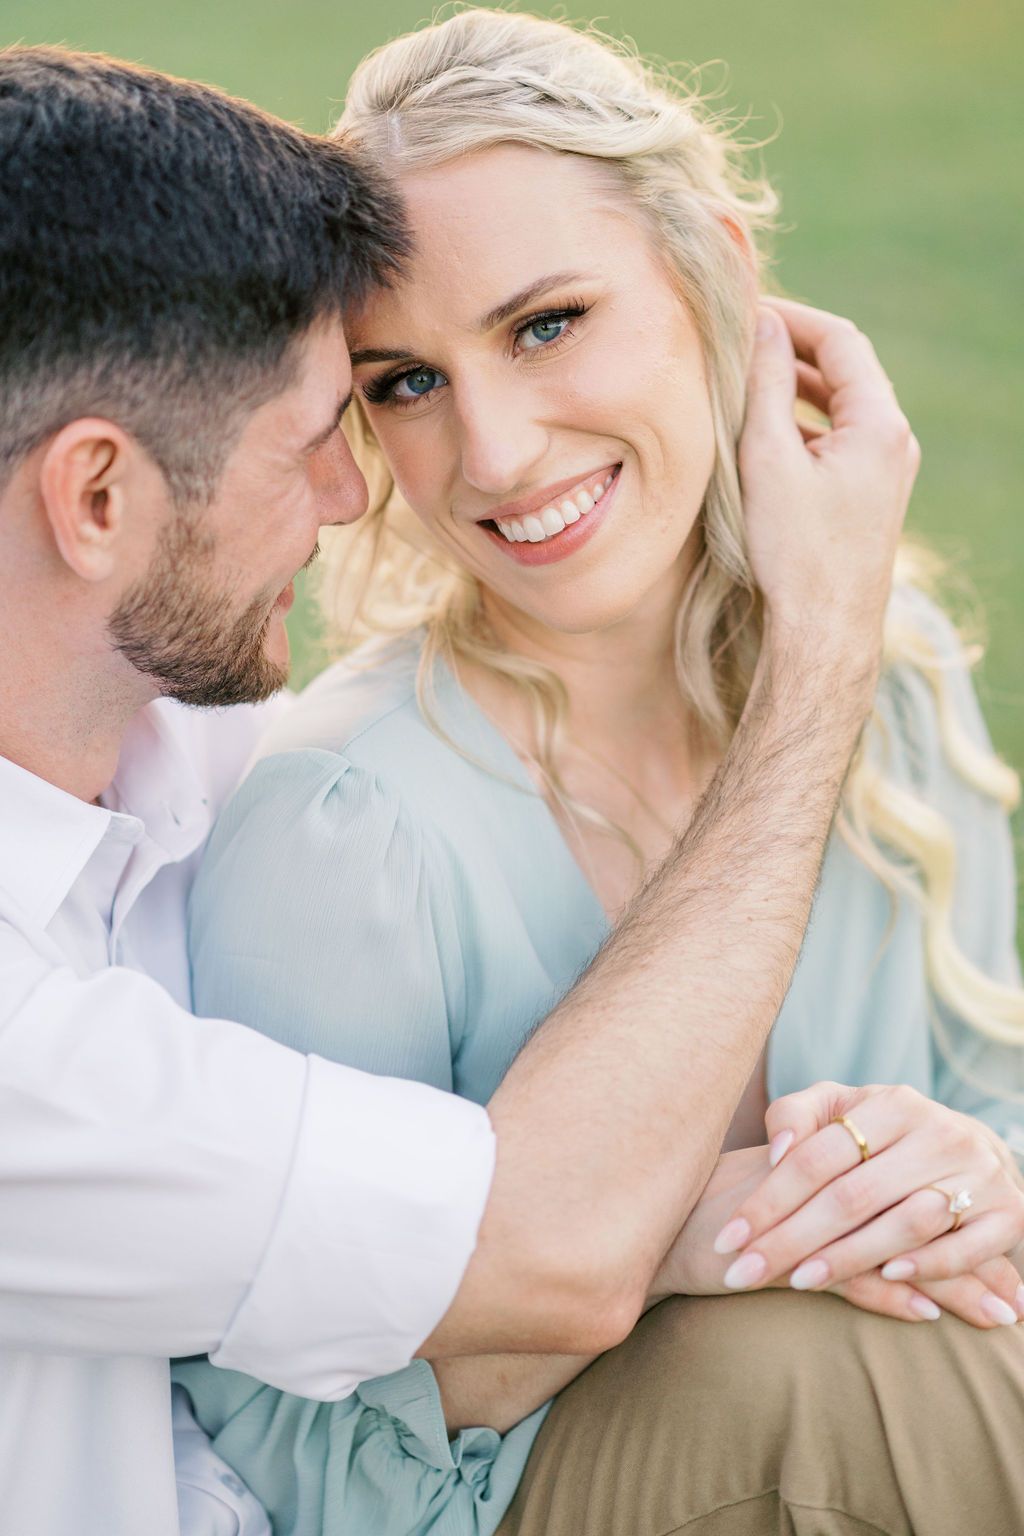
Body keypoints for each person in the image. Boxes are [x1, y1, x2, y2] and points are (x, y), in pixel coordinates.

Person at [0, 38, 959, 1536]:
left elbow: (991, 1092)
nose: (377, 487)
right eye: (382, 398)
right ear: (100, 500)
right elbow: (520, 1268)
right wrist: (819, 650)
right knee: (868, 1377)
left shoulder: (176, 755)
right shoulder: (326, 818)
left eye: (549, 325)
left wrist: (965, 1186)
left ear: (717, 272)